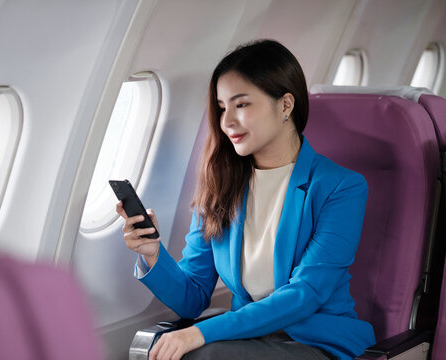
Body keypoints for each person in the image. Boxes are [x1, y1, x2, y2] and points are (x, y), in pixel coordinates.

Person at [116, 39, 375, 360]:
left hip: (314, 341)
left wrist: (198, 333)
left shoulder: (341, 187)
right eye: (222, 108)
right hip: (249, 339)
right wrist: (153, 254)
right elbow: (193, 297)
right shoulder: (221, 185)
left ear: (285, 105)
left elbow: (305, 294)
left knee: (202, 355)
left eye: (241, 105)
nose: (227, 122)